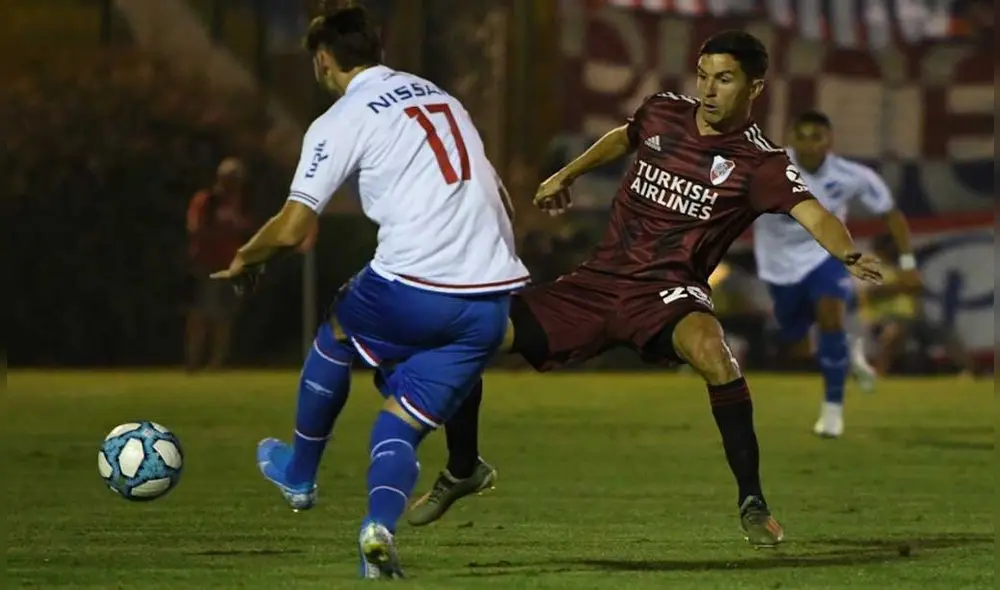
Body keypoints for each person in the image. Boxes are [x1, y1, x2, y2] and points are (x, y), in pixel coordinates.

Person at [408, 30, 883, 548]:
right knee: (468, 333)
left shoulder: (759, 163)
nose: (708, 90)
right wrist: (566, 174)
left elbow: (813, 212)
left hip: (667, 294)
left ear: (755, 87)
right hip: (597, 285)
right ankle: (462, 468)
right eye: (703, 76)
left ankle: (753, 502)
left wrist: (849, 253)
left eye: (724, 79)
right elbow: (623, 136)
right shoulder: (664, 112)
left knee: (712, 352)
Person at [210, 7, 527, 579]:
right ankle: (376, 530)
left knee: (336, 329)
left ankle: (299, 473)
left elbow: (291, 227)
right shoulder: (440, 97)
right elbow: (498, 194)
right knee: (397, 426)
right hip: (488, 299)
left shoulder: (342, 117)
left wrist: (242, 260)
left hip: (412, 286)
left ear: (323, 59)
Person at [753, 110, 919, 438]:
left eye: (818, 136)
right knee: (797, 342)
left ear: (829, 141)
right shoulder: (765, 167)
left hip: (825, 256)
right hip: (778, 266)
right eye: (803, 136)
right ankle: (845, 351)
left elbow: (891, 214)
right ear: (791, 139)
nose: (810, 144)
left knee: (830, 315)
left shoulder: (850, 175)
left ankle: (832, 412)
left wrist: (908, 264)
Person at [860, 234, 976, 378]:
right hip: (882, 320)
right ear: (880, 249)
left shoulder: (903, 267)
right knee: (895, 331)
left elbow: (918, 287)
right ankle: (879, 374)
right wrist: (902, 286)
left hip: (913, 319)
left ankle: (968, 372)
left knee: (946, 333)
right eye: (889, 247)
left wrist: (904, 285)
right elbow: (873, 292)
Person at [185, 157, 252, 372]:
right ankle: (193, 361)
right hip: (206, 264)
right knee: (200, 314)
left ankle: (216, 363)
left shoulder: (237, 204)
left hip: (229, 266)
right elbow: (195, 228)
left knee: (224, 317)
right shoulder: (207, 200)